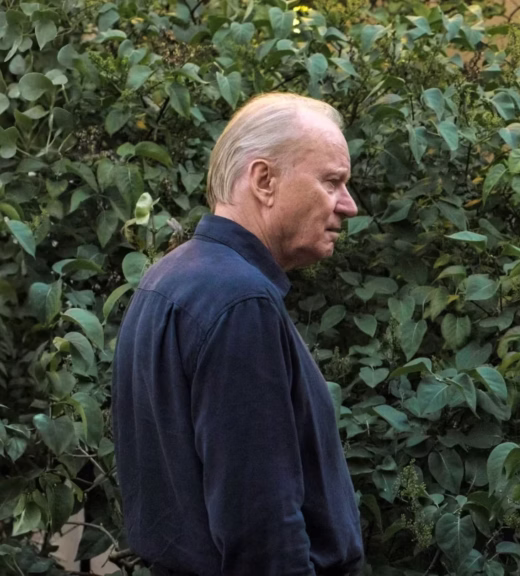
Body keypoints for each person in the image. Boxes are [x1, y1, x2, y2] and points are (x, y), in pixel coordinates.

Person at [113, 93, 364, 576]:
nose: (348, 205)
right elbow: (261, 528)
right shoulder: (240, 302)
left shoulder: (169, 278)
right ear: (264, 180)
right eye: (332, 182)